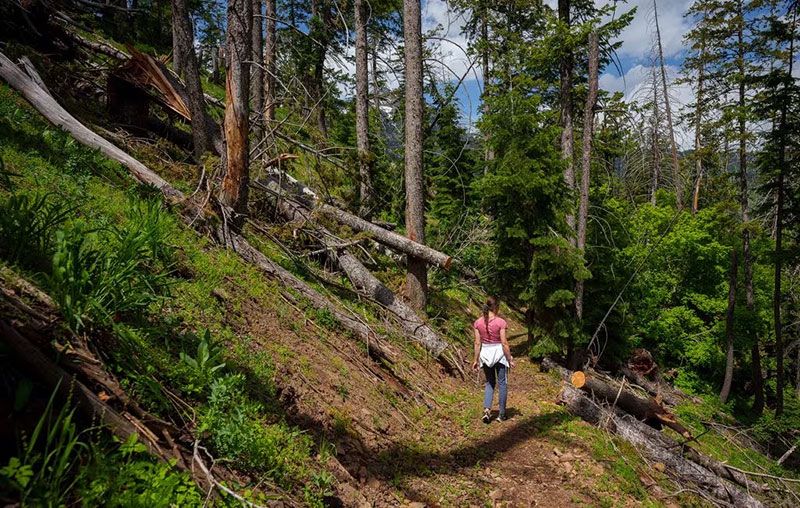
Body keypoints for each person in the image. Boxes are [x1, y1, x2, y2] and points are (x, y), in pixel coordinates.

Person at [471, 296, 514, 423]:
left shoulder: (478, 323)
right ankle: (501, 414)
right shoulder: (500, 322)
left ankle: (486, 410)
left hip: (485, 353)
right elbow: (504, 342)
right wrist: (509, 358)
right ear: (495, 307)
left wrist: (476, 359)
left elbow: (477, 343)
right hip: (499, 354)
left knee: (490, 383)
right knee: (502, 383)